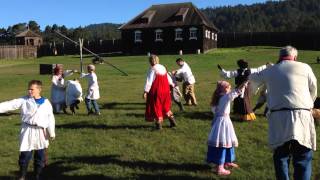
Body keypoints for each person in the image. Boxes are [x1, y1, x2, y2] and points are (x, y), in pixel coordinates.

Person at [249, 46, 317, 180]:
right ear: (295, 57)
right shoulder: (305, 67)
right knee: (302, 157)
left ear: (280, 57)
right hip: (302, 115)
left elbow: (252, 78)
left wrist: (255, 89)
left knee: (281, 155)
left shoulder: (270, 70)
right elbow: (313, 88)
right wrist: (309, 104)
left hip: (279, 117)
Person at [0, 80, 55, 180]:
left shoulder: (46, 103)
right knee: (25, 156)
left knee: (40, 156)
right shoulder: (24, 100)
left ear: (39, 89)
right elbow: (10, 104)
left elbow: (50, 118)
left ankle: (38, 176)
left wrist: (52, 132)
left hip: (41, 132)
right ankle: (22, 176)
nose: (29, 91)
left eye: (32, 89)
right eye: (28, 89)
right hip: (27, 130)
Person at [206, 80, 246, 176]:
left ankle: (227, 161)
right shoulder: (225, 97)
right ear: (224, 89)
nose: (230, 88)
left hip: (220, 122)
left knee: (227, 142)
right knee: (223, 143)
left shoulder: (218, 97)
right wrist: (244, 83)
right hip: (223, 123)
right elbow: (236, 92)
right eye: (228, 87)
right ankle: (220, 167)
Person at [144, 55, 176, 130]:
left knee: (156, 106)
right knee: (165, 106)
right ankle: (172, 121)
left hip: (157, 91)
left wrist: (145, 91)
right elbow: (169, 79)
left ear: (151, 61)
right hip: (165, 90)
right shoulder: (163, 67)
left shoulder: (153, 69)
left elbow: (149, 81)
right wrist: (172, 85)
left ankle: (159, 125)